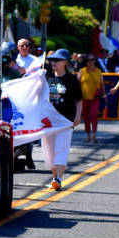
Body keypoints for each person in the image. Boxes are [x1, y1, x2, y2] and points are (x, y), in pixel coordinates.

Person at [42, 49, 82, 190]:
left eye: (57, 60)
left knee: (61, 148)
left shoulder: (72, 79)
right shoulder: (46, 77)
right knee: (49, 151)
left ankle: (58, 178)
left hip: (65, 120)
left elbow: (78, 100)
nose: (53, 63)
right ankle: (55, 178)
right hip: (48, 121)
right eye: (51, 60)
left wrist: (78, 116)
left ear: (64, 62)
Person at [78, 54, 105, 143]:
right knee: (86, 117)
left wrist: (104, 95)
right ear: (85, 61)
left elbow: (102, 85)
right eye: (88, 60)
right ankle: (88, 135)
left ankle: (94, 134)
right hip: (84, 98)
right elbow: (77, 84)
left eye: (92, 60)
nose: (90, 62)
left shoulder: (98, 71)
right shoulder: (82, 71)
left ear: (95, 61)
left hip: (95, 97)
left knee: (93, 115)